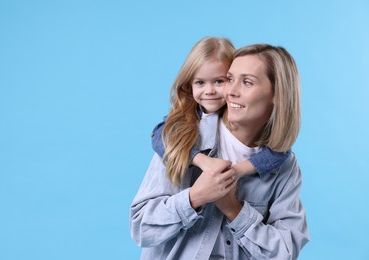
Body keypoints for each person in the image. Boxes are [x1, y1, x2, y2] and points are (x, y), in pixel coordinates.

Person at [130, 43, 309, 259]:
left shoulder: (284, 167)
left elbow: (284, 253)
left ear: (277, 93)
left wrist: (234, 209)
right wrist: (195, 197)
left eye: (247, 82)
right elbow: (141, 229)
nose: (231, 92)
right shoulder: (183, 139)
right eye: (230, 79)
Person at [151, 37, 290, 186]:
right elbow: (160, 135)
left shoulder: (243, 118)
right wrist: (202, 160)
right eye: (200, 82)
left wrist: (238, 170)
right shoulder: (185, 124)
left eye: (219, 81)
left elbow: (280, 151)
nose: (209, 91)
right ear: (189, 85)